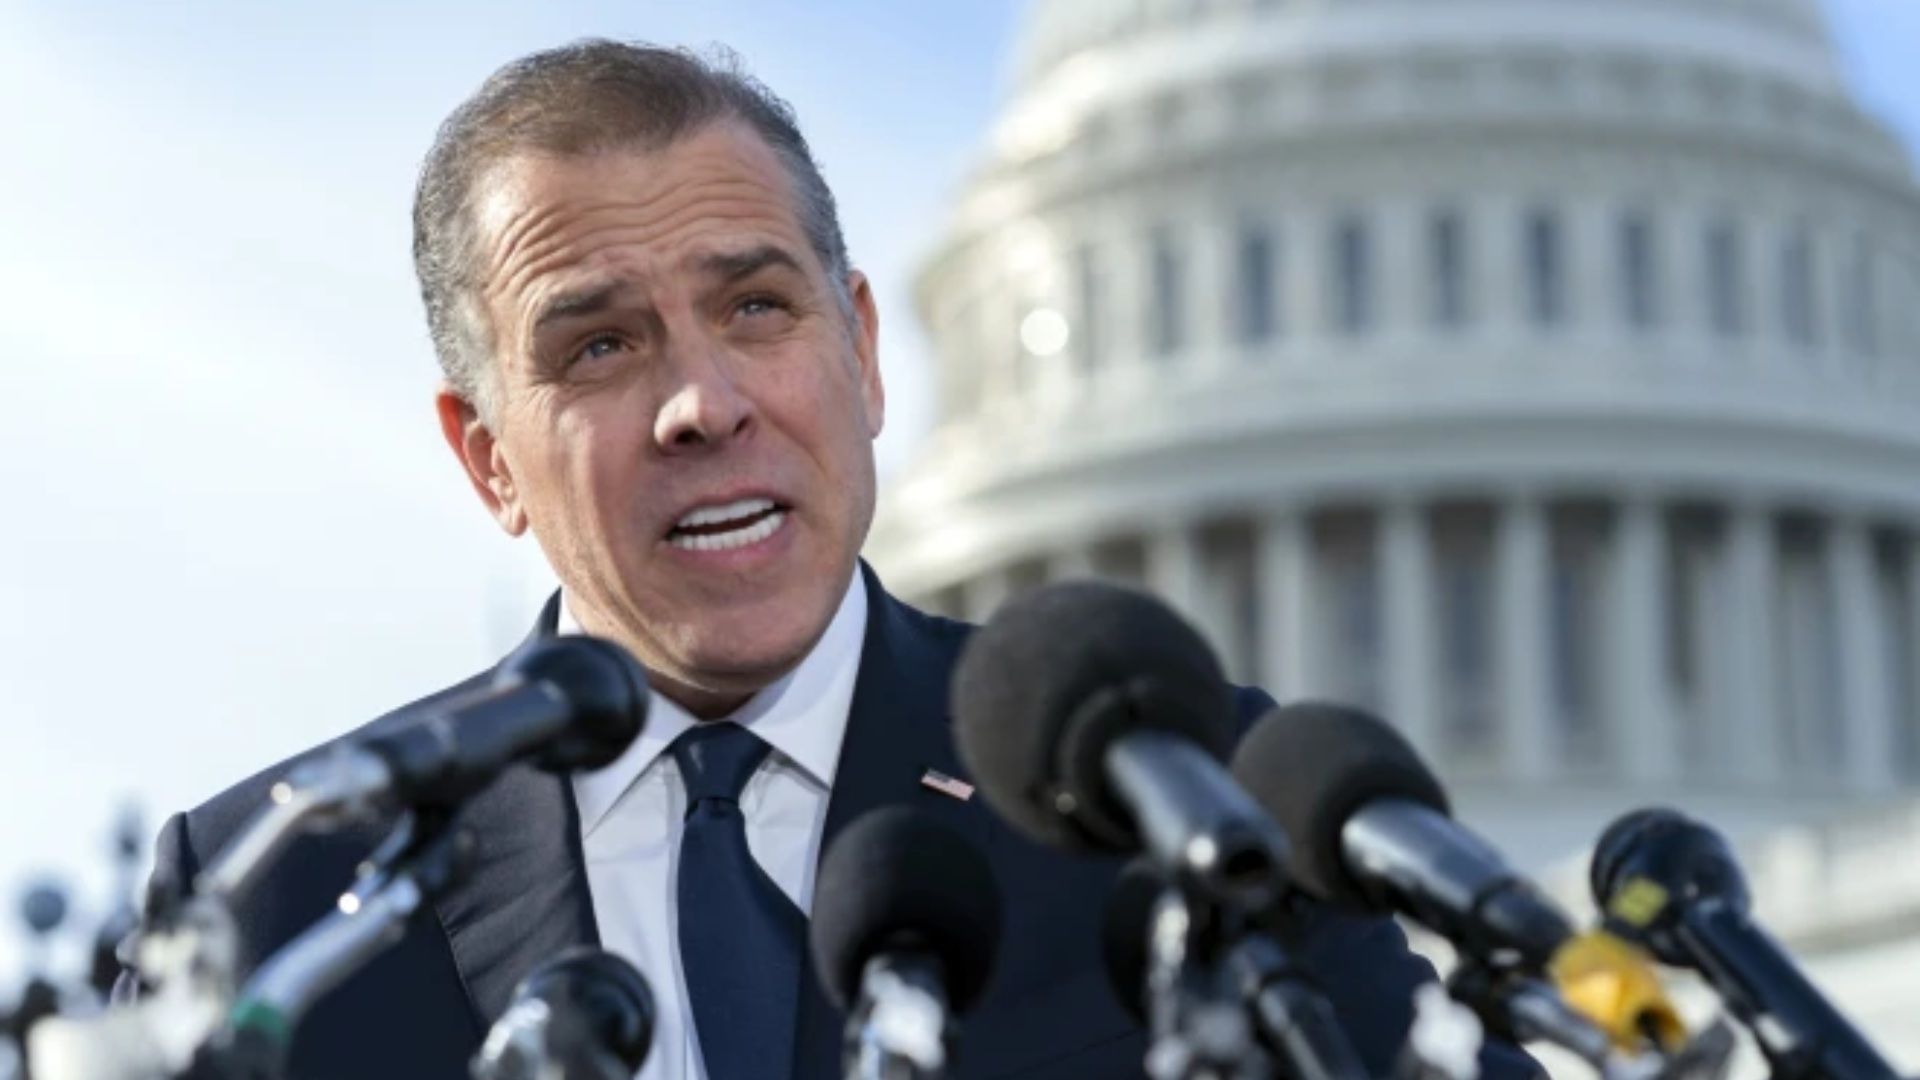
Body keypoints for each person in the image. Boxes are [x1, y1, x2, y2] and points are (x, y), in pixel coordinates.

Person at [121, 41, 1541, 1080]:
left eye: (755, 306)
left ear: (863, 354)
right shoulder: (279, 897)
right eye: (601, 345)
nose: (706, 403)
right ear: (488, 455)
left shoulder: (1179, 807)